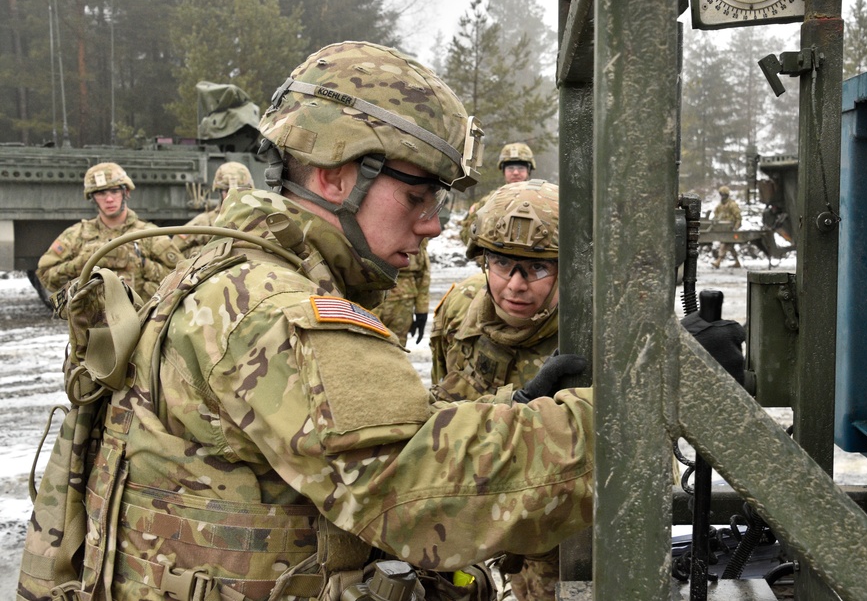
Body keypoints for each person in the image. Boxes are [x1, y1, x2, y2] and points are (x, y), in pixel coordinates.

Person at [34, 42, 594, 601]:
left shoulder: (227, 267)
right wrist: (613, 420)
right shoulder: (279, 313)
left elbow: (364, 440)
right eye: (418, 196)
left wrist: (512, 413)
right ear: (335, 177)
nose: (431, 226)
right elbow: (424, 497)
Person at [430, 179, 563, 601]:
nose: (515, 285)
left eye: (538, 267)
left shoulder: (596, 332)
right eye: (502, 263)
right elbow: (437, 410)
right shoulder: (457, 311)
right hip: (475, 521)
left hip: (560, 535)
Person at [36, 162, 181, 301]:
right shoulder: (76, 236)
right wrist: (85, 262)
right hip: (91, 324)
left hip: (141, 321)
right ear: (92, 197)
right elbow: (45, 276)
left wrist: (139, 263)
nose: (109, 199)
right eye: (101, 193)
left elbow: (183, 277)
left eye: (115, 191)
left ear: (126, 192)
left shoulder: (149, 235)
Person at [459, 142, 536, 245]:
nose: (515, 172)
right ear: (503, 171)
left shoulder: (544, 200)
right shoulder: (487, 202)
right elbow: (466, 236)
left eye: (521, 168)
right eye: (510, 168)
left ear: (529, 170)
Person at [173, 160, 255, 257]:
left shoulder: (259, 218)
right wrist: (204, 253)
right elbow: (174, 252)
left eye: (240, 190)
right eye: (227, 190)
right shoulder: (205, 222)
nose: (234, 195)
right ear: (219, 192)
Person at [373, 236, 432, 345]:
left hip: (401, 305)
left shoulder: (413, 228)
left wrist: (421, 312)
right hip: (369, 298)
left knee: (395, 350)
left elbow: (422, 274)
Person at [711, 185, 743, 268]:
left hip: (730, 229)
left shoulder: (732, 205)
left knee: (724, 244)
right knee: (730, 247)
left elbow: (738, 217)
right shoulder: (719, 206)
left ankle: (718, 261)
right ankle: (737, 262)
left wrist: (736, 227)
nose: (723, 197)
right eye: (721, 195)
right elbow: (716, 216)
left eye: (724, 195)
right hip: (723, 229)